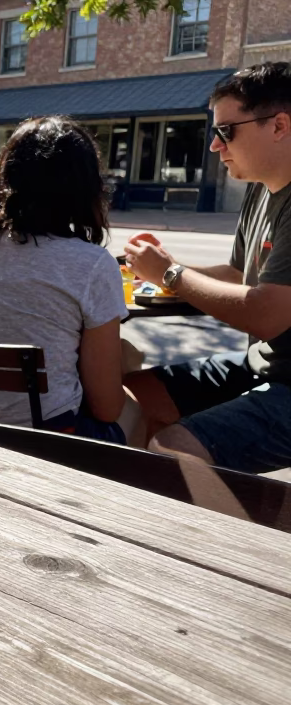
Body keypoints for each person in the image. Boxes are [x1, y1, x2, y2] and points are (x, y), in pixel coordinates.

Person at [124, 62, 291, 473]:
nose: (215, 146)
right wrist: (162, 267)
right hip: (263, 363)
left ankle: (208, 534)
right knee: (129, 395)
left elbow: (267, 313)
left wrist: (169, 274)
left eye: (225, 131)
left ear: (279, 125)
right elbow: (239, 276)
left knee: (172, 450)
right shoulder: (261, 189)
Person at [0, 116, 137, 440]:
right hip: (45, 441)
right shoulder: (93, 264)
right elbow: (106, 409)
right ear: (84, 188)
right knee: (134, 409)